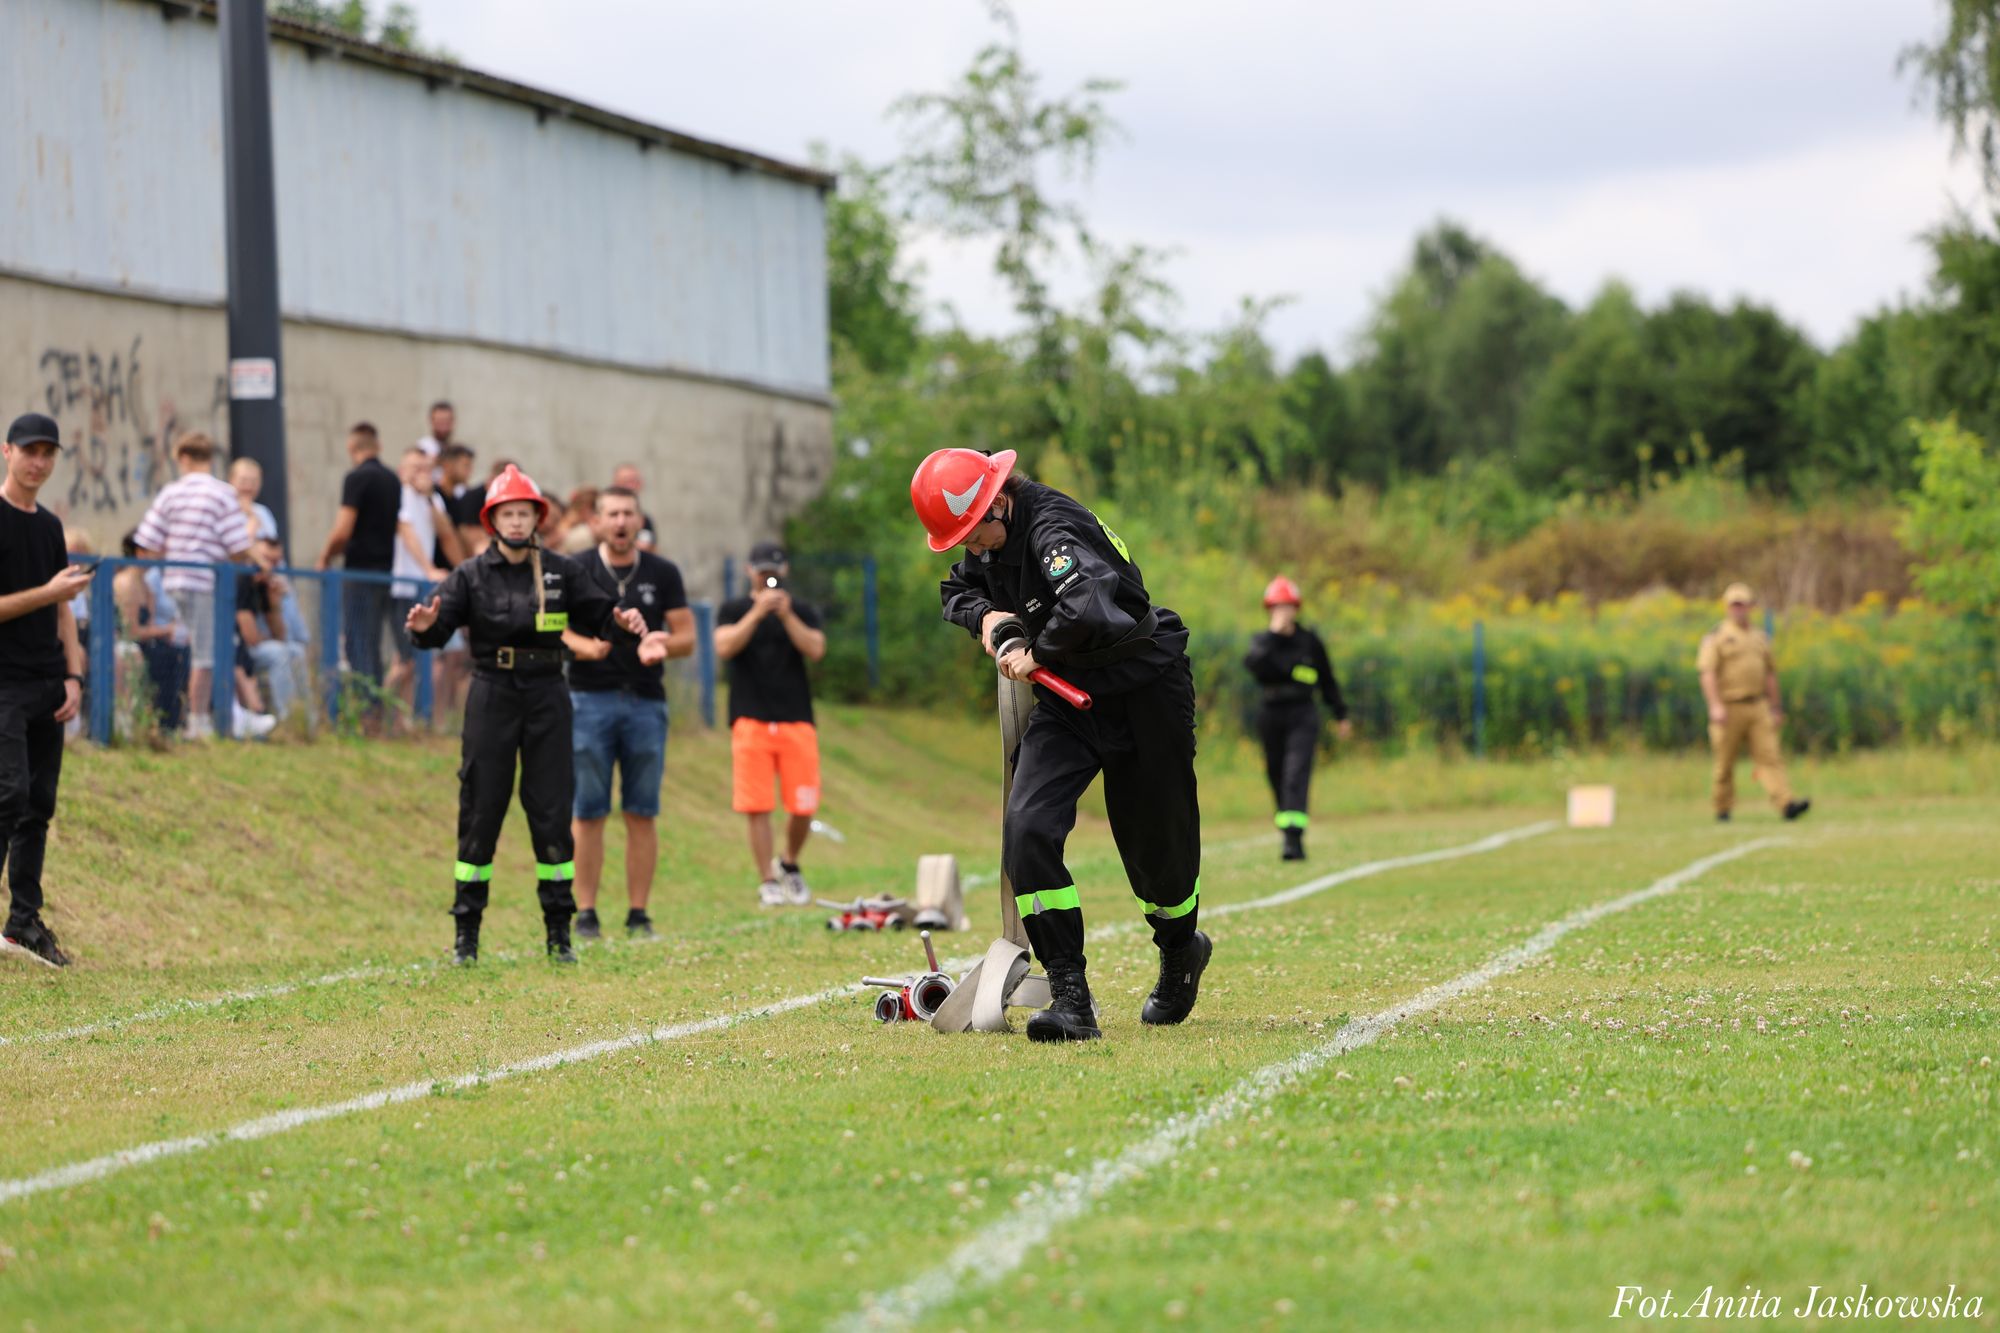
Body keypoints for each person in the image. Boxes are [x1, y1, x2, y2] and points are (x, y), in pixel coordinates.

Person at [914, 447, 1208, 1043]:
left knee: (1160, 855)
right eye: (962, 541)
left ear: (999, 500)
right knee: (1027, 828)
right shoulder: (989, 539)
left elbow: (1085, 608)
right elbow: (956, 591)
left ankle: (1180, 948)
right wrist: (990, 622)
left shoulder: (1053, 530)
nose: (973, 550)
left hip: (1142, 690)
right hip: (1068, 703)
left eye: (975, 535)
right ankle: (1071, 996)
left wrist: (1035, 651)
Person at [405, 465, 654, 965]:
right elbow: (436, 629)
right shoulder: (471, 575)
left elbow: (604, 617)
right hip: (491, 693)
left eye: (524, 513)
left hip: (546, 695)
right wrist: (427, 628)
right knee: (481, 809)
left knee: (550, 811)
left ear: (537, 518)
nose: (516, 522)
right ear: (492, 520)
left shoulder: (562, 571)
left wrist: (625, 624)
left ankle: (559, 934)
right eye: (507, 514)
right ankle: (466, 936)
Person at [568, 486, 695, 941]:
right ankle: (585, 913)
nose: (620, 521)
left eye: (628, 513)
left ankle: (638, 914)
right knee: (588, 810)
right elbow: (556, 628)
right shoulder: (578, 567)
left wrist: (660, 641)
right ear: (597, 521)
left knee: (641, 811)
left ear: (640, 520)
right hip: (588, 699)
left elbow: (687, 637)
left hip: (645, 701)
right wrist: (588, 647)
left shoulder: (662, 572)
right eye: (612, 514)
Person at [0, 414, 92, 967]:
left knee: (38, 805)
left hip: (48, 684)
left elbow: (64, 609)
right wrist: (49, 591)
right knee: (6, 794)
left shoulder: (52, 526)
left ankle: (23, 925)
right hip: (3, 684)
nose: (38, 462)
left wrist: (74, 676)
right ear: (6, 451)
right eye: (29, 451)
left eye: (47, 453)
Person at [715, 541, 826, 907]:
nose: (769, 580)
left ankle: (789, 863)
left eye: (774, 573)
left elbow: (815, 649)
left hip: (796, 718)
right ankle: (767, 879)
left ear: (785, 572)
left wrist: (785, 615)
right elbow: (724, 647)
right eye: (762, 573)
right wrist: (757, 613)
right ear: (750, 572)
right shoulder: (734, 609)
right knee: (757, 804)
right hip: (751, 718)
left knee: (804, 804)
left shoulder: (802, 610)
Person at [133, 431, 252, 738]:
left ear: (181, 458)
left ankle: (169, 716)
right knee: (206, 654)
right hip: (205, 582)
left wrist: (176, 548)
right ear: (210, 458)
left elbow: (146, 543)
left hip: (173, 580)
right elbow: (238, 545)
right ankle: (198, 721)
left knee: (187, 646)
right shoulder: (222, 493)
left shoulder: (170, 493)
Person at [1243, 575, 1353, 861]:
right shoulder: (1262, 642)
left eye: (1287, 606)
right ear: (1269, 610)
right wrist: (1273, 636)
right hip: (1271, 714)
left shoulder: (1309, 641)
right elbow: (1253, 666)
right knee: (1277, 774)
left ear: (1296, 608)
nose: (1283, 612)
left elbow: (1327, 679)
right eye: (1277, 607)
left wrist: (1340, 714)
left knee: (1296, 773)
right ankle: (1288, 829)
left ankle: (1293, 841)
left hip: (1302, 714)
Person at [1699, 583, 1811, 824]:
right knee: (1724, 762)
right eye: (1734, 605)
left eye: (1743, 604)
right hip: (1729, 706)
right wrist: (1715, 705)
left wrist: (1775, 706)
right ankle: (1722, 808)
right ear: (1727, 607)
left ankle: (1786, 804)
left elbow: (1770, 674)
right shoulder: (1717, 637)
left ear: (1751, 607)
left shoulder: (1760, 637)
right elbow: (1707, 673)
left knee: (1770, 756)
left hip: (1758, 705)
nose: (1739, 609)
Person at [316, 423, 401, 698]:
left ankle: (365, 709)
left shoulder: (357, 477)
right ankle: (375, 707)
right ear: (378, 446)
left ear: (352, 448)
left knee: (357, 643)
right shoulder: (392, 479)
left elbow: (343, 530)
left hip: (359, 573)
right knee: (373, 643)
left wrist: (325, 556)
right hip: (386, 573)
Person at [387, 448, 458, 718]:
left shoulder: (432, 499)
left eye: (426, 469)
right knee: (404, 660)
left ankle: (401, 719)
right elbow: (406, 533)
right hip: (404, 585)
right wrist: (428, 569)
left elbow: (445, 531)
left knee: (415, 661)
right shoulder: (401, 495)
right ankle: (380, 708)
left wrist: (429, 496)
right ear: (403, 471)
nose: (421, 475)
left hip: (422, 587)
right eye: (415, 468)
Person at [115, 529, 190, 733]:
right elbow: (131, 631)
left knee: (179, 653)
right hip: (125, 645)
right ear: (140, 552)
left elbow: (148, 627)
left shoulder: (146, 585)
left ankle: (169, 723)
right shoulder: (126, 583)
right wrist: (165, 630)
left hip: (145, 643)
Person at [238, 535, 309, 721]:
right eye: (267, 559)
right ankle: (287, 719)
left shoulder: (265, 586)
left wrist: (274, 602)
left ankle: (306, 719)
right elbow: (250, 637)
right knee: (279, 653)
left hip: (260, 646)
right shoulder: (242, 580)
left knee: (296, 651)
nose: (271, 566)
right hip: (238, 653)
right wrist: (267, 638)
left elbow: (281, 635)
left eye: (276, 562)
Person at [610, 463, 658, 551]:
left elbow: (653, 549)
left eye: (635, 481)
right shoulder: (598, 514)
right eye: (626, 481)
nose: (631, 486)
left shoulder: (646, 519)